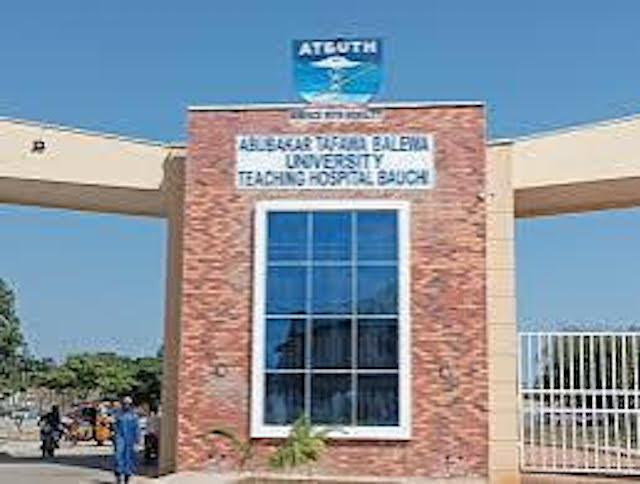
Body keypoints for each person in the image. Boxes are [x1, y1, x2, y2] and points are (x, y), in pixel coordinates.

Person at [113, 396, 140, 484]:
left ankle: (127, 477)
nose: (126, 405)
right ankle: (118, 475)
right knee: (118, 456)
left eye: (128, 404)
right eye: (125, 403)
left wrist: (137, 441)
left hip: (130, 439)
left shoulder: (134, 416)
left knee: (129, 458)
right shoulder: (118, 415)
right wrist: (115, 437)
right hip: (120, 438)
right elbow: (115, 427)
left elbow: (136, 429)